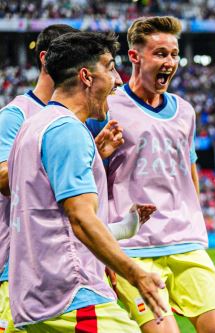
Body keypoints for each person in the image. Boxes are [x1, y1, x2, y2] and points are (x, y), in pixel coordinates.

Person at [6, 31, 168, 332]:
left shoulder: (32, 128)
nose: (118, 80)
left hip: (35, 298)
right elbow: (79, 219)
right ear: (86, 76)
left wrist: (124, 228)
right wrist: (136, 273)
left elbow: (49, 217)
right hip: (73, 293)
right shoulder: (67, 131)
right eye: (109, 67)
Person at [86, 16, 215, 333]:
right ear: (135, 56)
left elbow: (189, 170)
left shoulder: (184, 111)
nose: (169, 62)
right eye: (160, 54)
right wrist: (98, 153)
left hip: (185, 241)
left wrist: (194, 216)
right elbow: (88, 173)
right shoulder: (108, 106)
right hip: (135, 247)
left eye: (174, 54)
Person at [0, 24, 79, 333]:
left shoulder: (70, 118)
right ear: (46, 59)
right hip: (14, 265)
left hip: (58, 265)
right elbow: (2, 177)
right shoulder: (16, 115)